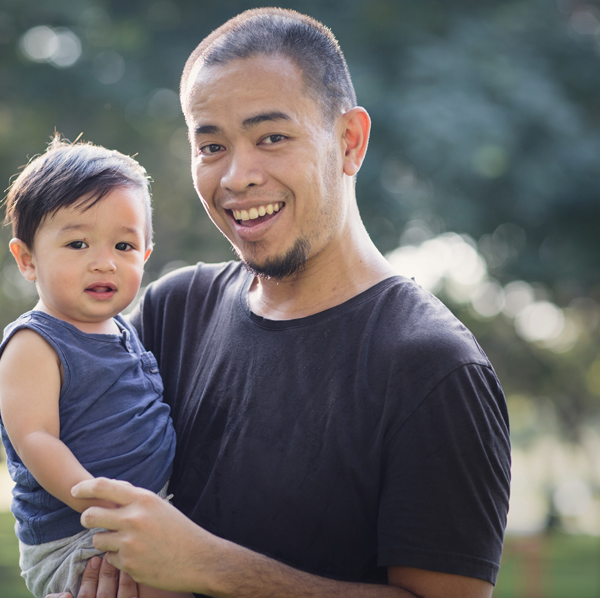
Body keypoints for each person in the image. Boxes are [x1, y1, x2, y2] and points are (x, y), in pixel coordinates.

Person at [55, 8, 510, 598]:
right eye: (212, 144)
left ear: (349, 141)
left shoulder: (433, 369)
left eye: (272, 137)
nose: (238, 176)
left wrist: (208, 567)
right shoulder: (172, 312)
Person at [0, 138, 186, 598]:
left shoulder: (122, 329)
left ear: (145, 256)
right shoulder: (34, 342)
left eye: (124, 245)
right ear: (27, 260)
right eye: (77, 243)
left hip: (140, 515)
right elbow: (36, 438)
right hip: (80, 533)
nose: (104, 262)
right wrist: (99, 501)